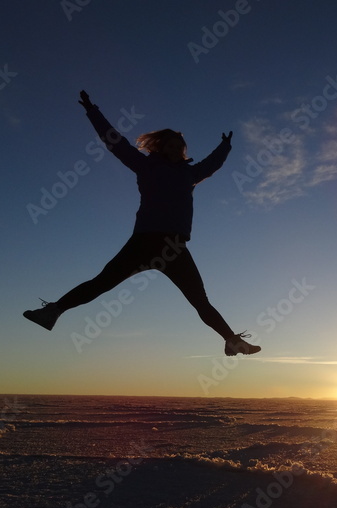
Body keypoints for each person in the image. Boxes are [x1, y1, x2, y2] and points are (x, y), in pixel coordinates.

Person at [23, 90, 260, 357]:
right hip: (145, 242)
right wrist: (92, 111)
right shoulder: (146, 166)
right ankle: (52, 312)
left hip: (174, 247)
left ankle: (232, 341)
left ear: (183, 151)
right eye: (169, 145)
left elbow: (211, 165)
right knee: (101, 283)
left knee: (200, 301)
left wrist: (225, 147)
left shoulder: (189, 174)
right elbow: (116, 143)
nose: (174, 149)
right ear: (160, 147)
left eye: (178, 147)